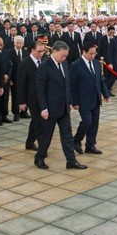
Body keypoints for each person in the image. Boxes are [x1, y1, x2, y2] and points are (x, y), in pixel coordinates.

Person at [35, 40, 85, 170]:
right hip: (50, 108)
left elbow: (67, 85)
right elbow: (40, 90)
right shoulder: (45, 66)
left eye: (66, 56)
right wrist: (44, 108)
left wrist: (70, 102)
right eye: (62, 55)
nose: (64, 58)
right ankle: (39, 158)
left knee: (67, 135)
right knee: (46, 136)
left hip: (63, 108)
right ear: (54, 51)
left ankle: (71, 161)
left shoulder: (65, 64)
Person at [70, 40, 110, 155]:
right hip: (83, 100)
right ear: (83, 52)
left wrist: (105, 94)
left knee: (94, 123)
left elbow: (101, 80)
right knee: (87, 121)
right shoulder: (76, 65)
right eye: (91, 53)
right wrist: (74, 102)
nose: (93, 55)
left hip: (95, 98)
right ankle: (76, 140)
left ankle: (90, 145)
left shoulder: (97, 63)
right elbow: (72, 86)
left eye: (94, 53)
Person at [17, 41, 46, 151]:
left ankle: (29, 142)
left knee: (36, 121)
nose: (41, 53)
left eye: (43, 51)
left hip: (42, 97)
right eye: (39, 51)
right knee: (39, 122)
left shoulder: (43, 61)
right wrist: (21, 101)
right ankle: (43, 147)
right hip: (31, 98)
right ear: (32, 50)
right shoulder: (24, 63)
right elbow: (20, 84)